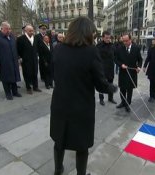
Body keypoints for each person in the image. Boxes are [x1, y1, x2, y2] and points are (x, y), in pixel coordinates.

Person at [50, 17, 117, 175]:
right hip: (81, 107)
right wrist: (111, 88)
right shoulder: (91, 51)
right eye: (92, 33)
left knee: (59, 140)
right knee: (81, 145)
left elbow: (54, 74)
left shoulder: (58, 48)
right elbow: (100, 84)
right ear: (87, 33)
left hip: (60, 104)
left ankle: (58, 170)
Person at [0, 22, 22, 100]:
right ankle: (8, 93)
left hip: (13, 61)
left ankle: (15, 91)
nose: (8, 30)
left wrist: (18, 58)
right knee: (6, 78)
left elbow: (15, 48)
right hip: (3, 62)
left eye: (9, 29)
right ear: (2, 29)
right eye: (6, 29)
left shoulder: (11, 36)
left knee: (14, 77)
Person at [115, 33, 143, 112]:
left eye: (126, 41)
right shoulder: (119, 48)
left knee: (129, 89)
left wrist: (139, 67)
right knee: (122, 89)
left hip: (132, 72)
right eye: (123, 41)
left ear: (130, 40)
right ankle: (123, 102)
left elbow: (140, 59)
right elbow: (116, 59)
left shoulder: (136, 48)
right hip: (123, 72)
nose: (125, 43)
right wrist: (121, 65)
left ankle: (128, 104)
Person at [17, 25, 41, 94]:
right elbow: (18, 50)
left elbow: (38, 47)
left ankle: (35, 87)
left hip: (34, 59)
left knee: (35, 73)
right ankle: (28, 87)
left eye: (32, 30)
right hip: (25, 60)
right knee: (27, 73)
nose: (32, 32)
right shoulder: (21, 39)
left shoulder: (36, 38)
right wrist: (19, 58)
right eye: (30, 31)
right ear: (25, 31)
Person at [96, 31, 117, 106]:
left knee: (110, 83)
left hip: (110, 68)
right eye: (106, 38)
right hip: (102, 69)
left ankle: (110, 98)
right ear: (103, 38)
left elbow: (115, 56)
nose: (108, 39)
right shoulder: (98, 46)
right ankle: (101, 99)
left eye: (109, 38)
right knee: (101, 83)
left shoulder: (112, 46)